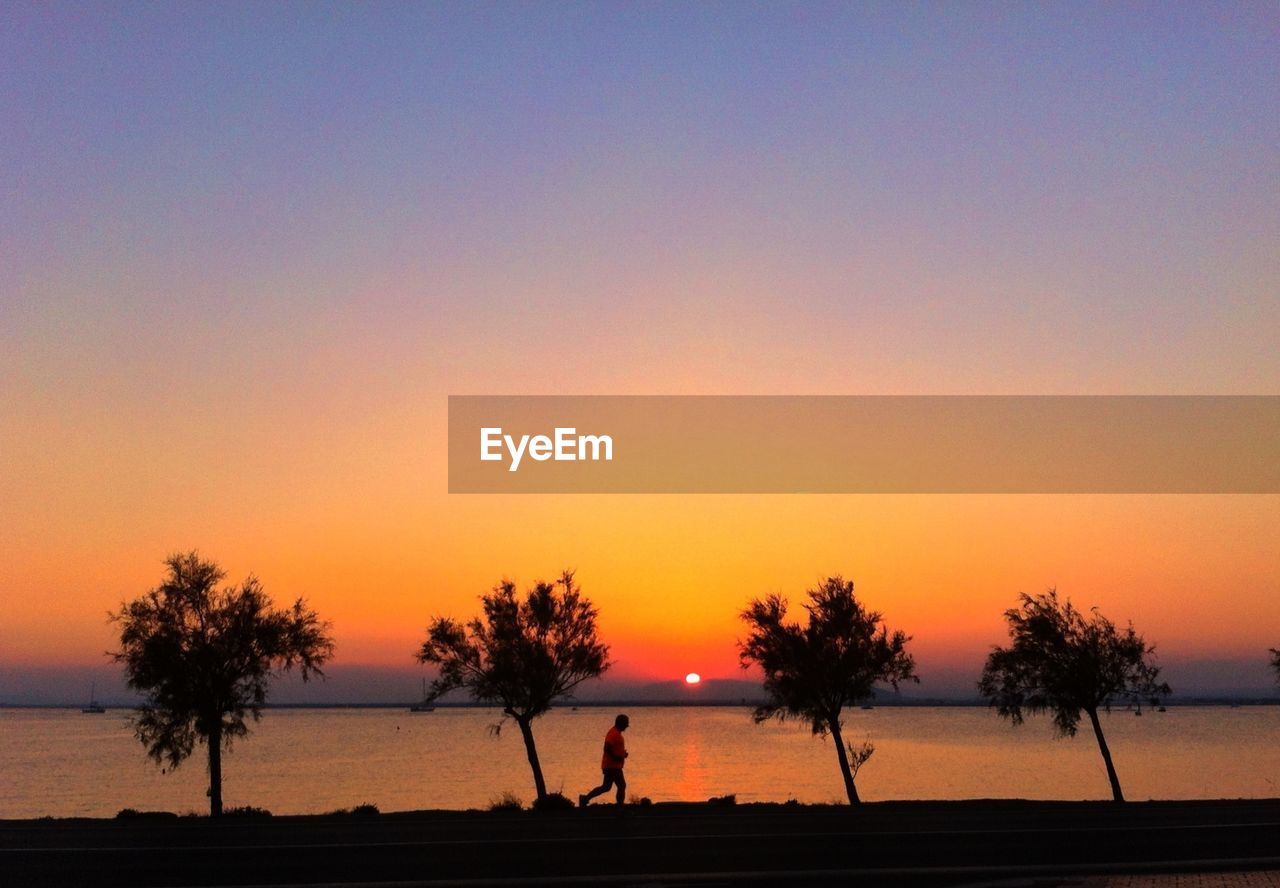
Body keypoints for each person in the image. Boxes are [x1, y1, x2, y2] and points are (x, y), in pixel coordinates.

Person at [579, 714, 629, 806]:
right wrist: (616, 757)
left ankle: (585, 798)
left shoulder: (616, 733)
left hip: (612, 765)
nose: (627, 726)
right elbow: (606, 748)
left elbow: (613, 749)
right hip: (612, 766)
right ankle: (620, 806)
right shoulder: (613, 733)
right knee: (621, 785)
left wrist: (622, 755)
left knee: (606, 787)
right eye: (626, 723)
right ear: (621, 723)